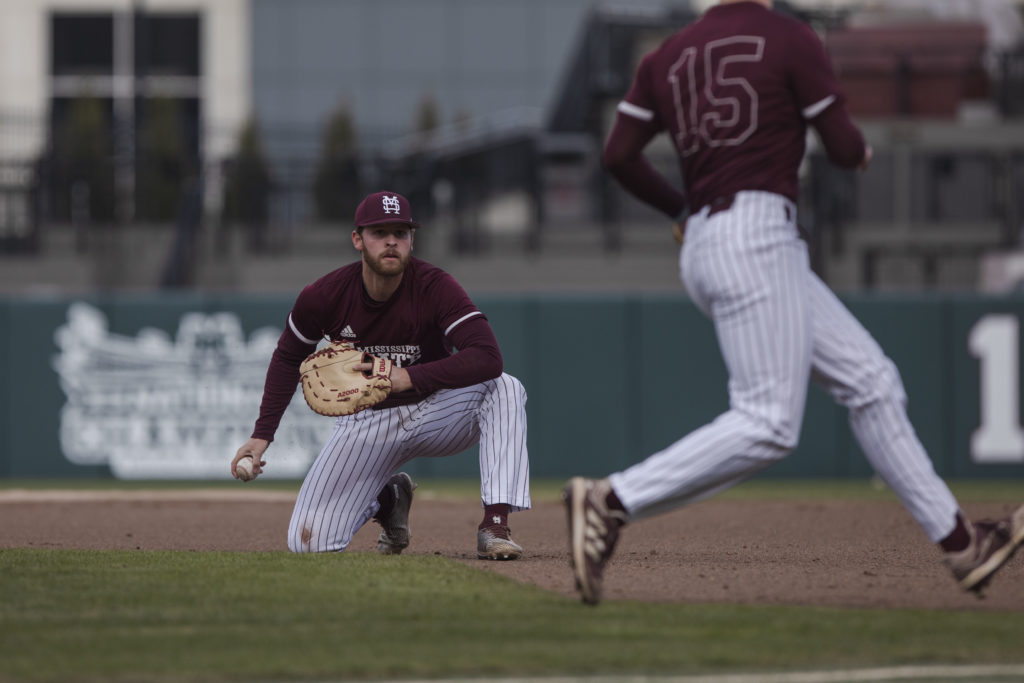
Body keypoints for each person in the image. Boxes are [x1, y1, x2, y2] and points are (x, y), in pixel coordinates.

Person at [564, 0, 1024, 605]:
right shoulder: (788, 36)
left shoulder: (666, 54)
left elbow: (618, 155)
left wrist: (679, 208)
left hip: (708, 237)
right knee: (769, 422)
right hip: (756, 231)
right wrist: (858, 150)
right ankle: (610, 499)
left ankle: (962, 544)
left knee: (872, 381)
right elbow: (840, 146)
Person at [233, 190, 530, 559]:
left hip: (436, 409)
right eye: (379, 232)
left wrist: (407, 377)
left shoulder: (435, 286)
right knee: (308, 542)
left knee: (504, 387)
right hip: (368, 421)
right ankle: (389, 500)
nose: (391, 240)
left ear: (411, 240)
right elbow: (287, 357)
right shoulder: (324, 295)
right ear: (357, 239)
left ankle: (495, 524)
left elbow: (487, 357)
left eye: (401, 232)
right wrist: (262, 434)